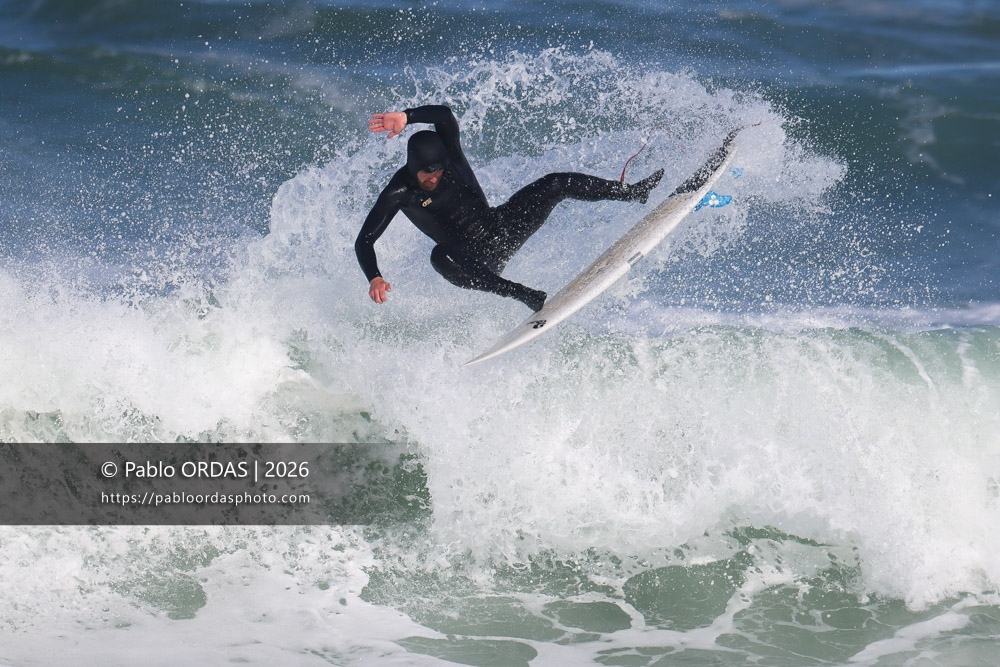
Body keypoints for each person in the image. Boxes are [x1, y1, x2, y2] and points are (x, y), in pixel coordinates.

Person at [356, 105, 664, 312]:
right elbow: (365, 240)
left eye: (439, 170)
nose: (435, 177)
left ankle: (633, 193)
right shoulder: (399, 192)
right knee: (440, 256)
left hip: (501, 228)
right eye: (428, 174)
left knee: (556, 182)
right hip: (472, 262)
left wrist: (407, 116)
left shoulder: (450, 155)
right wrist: (375, 277)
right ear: (413, 168)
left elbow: (445, 116)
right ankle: (522, 294)